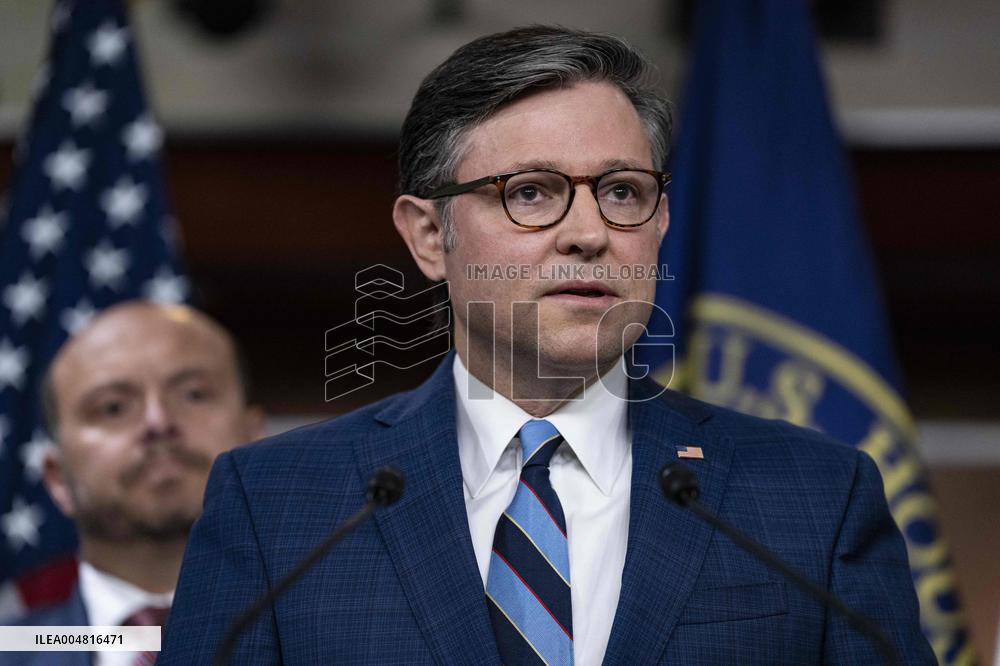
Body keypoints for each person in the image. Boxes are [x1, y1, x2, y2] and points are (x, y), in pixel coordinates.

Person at [160, 26, 935, 665]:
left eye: (624, 192)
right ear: (430, 235)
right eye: (531, 192)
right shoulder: (279, 508)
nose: (590, 234)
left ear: (662, 224)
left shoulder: (813, 502)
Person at [2, 302, 264, 666]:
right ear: (58, 479)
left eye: (194, 394)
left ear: (257, 440)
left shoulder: (356, 641)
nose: (158, 422)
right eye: (112, 407)